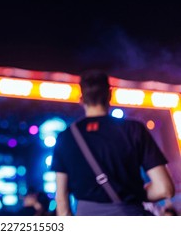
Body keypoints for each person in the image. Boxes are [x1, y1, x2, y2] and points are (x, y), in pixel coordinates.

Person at [50, 69, 175, 216]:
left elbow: (62, 199)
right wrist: (131, 194)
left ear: (81, 99)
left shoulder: (66, 137)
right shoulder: (133, 130)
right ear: (109, 95)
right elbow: (164, 188)